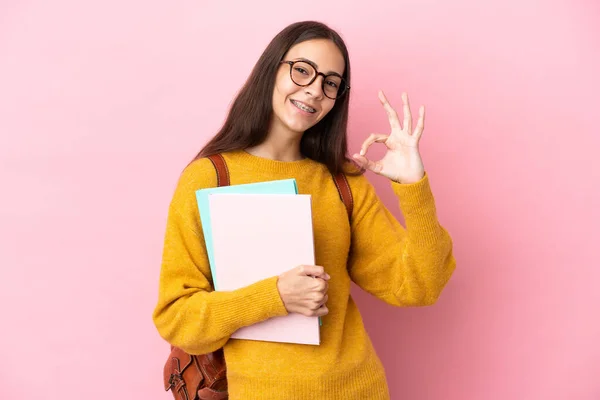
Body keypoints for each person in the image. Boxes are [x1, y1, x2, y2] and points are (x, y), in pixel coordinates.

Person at [152, 20, 456, 400]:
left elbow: (420, 286)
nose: (314, 90)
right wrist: (275, 296)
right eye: (302, 70)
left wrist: (414, 187)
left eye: (330, 82)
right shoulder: (210, 177)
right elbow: (177, 319)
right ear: (271, 69)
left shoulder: (342, 180)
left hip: (357, 390)